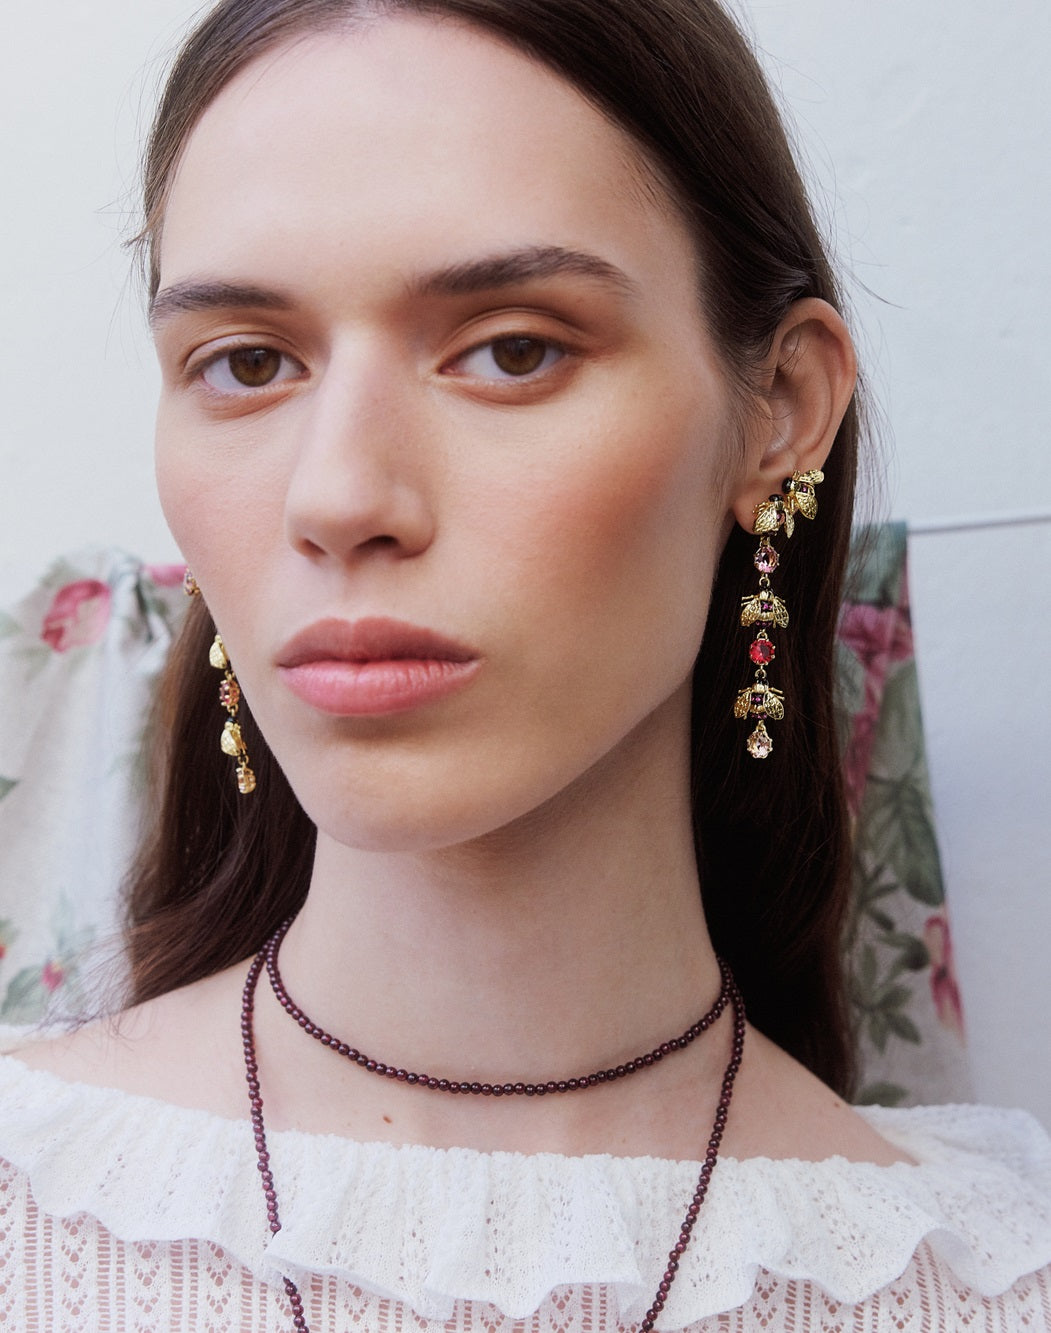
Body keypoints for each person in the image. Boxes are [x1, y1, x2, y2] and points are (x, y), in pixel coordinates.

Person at [1, 0, 1049, 1329]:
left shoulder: (989, 1289)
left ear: (780, 410)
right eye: (248, 362)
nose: (339, 497)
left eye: (513, 350)